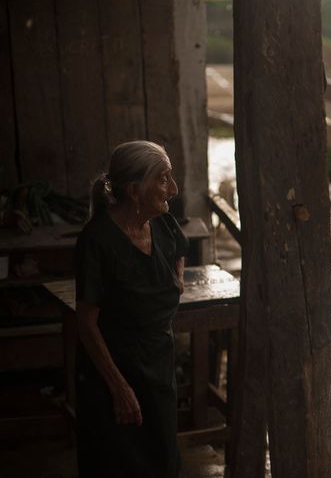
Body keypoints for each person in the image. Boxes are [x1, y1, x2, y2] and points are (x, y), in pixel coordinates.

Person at [75, 140, 188, 477]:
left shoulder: (163, 224)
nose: (174, 189)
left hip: (158, 367)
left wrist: (176, 279)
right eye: (164, 179)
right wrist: (119, 387)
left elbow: (181, 249)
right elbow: (86, 324)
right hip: (113, 374)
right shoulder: (97, 241)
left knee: (163, 461)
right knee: (119, 464)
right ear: (135, 191)